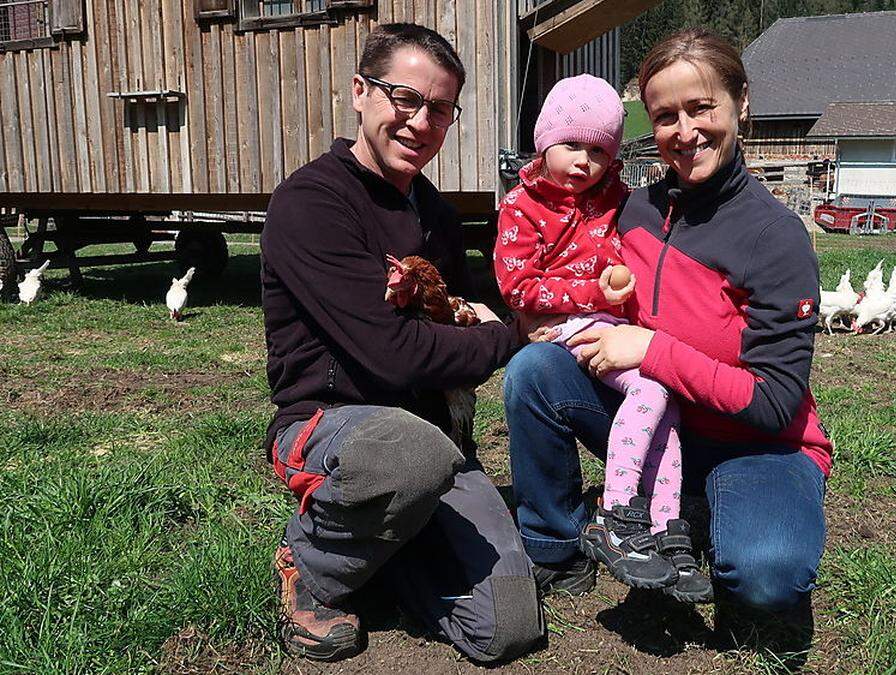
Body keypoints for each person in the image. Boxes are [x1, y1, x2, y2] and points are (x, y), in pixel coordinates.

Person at [503, 28, 832, 644]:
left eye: (701, 108)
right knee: (535, 371)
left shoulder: (775, 238)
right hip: (659, 418)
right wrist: (536, 314)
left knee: (765, 582)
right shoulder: (633, 208)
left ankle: (707, 509)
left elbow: (774, 402)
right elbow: (553, 263)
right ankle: (556, 542)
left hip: (753, 442)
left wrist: (651, 349)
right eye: (664, 116)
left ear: (740, 103)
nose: (685, 131)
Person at [260, 23, 541, 663]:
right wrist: (511, 337)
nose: (420, 122)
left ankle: (386, 547)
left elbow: (463, 318)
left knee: (508, 627)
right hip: (333, 422)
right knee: (408, 453)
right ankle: (313, 568)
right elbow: (394, 352)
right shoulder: (312, 201)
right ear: (361, 92)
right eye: (404, 98)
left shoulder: (436, 212)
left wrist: (491, 322)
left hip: (433, 437)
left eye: (440, 108)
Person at [492, 74, 712, 603]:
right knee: (652, 390)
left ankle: (662, 526)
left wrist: (614, 288)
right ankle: (613, 514)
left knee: (665, 403)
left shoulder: (617, 198)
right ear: (544, 143)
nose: (582, 163)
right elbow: (517, 286)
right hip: (572, 327)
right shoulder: (521, 207)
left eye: (597, 150)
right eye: (570, 146)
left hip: (611, 326)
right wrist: (594, 290)